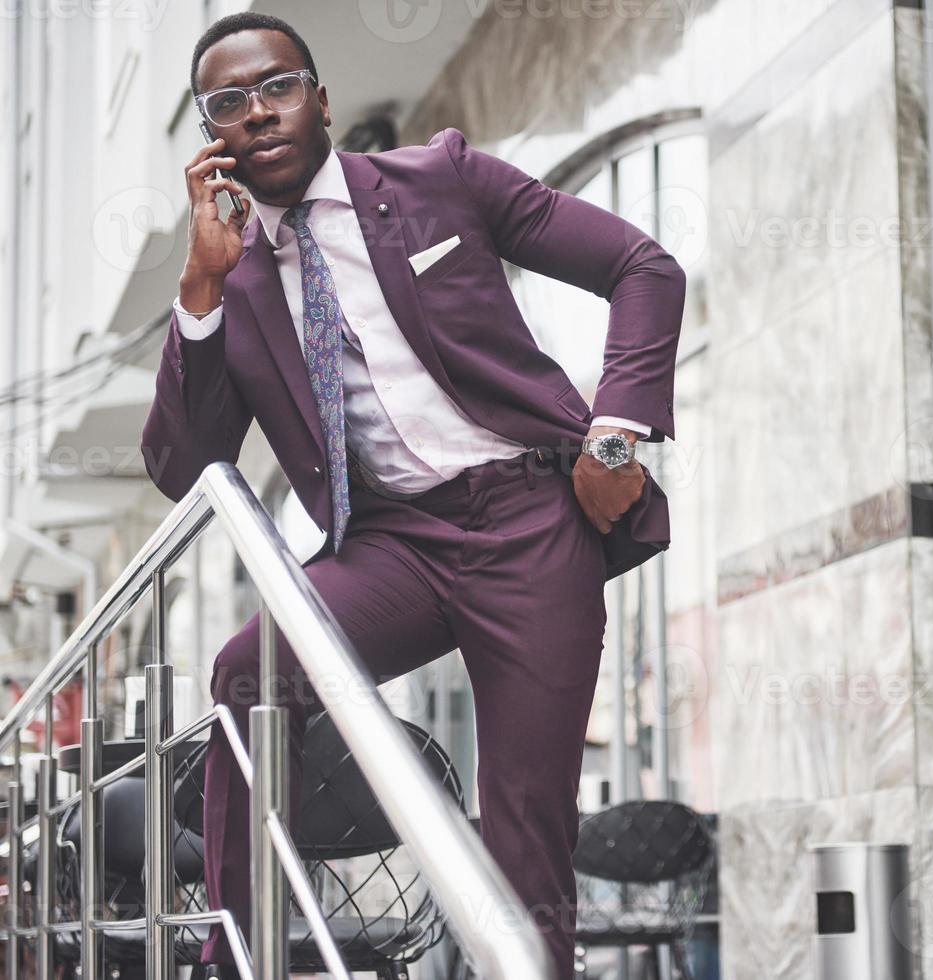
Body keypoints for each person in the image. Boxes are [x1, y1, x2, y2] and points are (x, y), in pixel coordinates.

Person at [140, 12, 686, 978]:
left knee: (525, 817)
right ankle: (234, 953)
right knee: (247, 671)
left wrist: (615, 434)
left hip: (528, 523)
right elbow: (188, 469)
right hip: (390, 542)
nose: (257, 112)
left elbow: (641, 267)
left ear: (319, 97)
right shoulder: (235, 276)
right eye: (228, 102)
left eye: (276, 85)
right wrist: (201, 289)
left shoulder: (442, 179)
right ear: (209, 136)